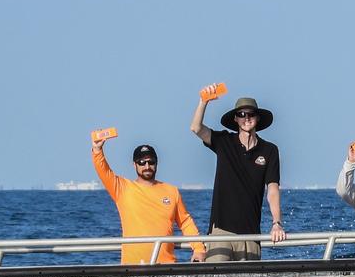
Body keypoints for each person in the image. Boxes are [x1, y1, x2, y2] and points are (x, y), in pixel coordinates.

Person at [190, 88, 285, 261]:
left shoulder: (270, 150)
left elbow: (272, 189)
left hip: (251, 233)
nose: (246, 118)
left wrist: (276, 223)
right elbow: (196, 128)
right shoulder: (224, 141)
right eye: (241, 114)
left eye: (251, 114)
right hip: (221, 231)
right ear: (235, 118)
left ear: (258, 118)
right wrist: (203, 101)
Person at [92, 137, 206, 264]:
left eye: (151, 162)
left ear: (156, 163)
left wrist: (199, 249)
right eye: (141, 162)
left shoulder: (172, 191)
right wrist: (97, 149)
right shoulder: (122, 188)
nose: (147, 166)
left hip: (166, 265)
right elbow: (103, 171)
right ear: (134, 164)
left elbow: (186, 223)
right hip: (132, 266)